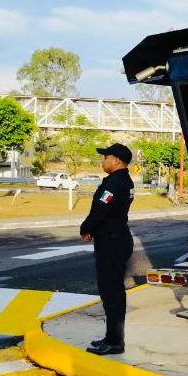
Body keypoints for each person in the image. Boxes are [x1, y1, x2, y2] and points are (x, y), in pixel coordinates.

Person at [80, 143, 135, 355]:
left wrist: (86, 229)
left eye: (106, 158)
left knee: (111, 293)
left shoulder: (113, 183)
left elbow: (100, 211)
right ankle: (112, 337)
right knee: (114, 292)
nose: (102, 161)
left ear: (117, 161)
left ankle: (114, 342)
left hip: (111, 242)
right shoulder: (125, 181)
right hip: (118, 239)